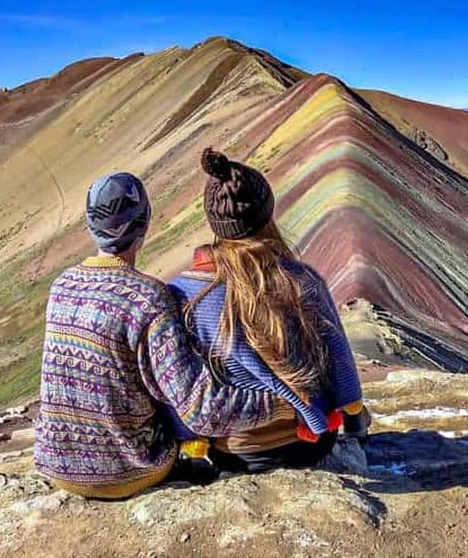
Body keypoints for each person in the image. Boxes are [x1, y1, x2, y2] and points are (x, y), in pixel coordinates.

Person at [34, 172, 279, 499]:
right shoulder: (149, 298)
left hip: (56, 466)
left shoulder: (62, 285)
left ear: (91, 225)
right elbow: (199, 408)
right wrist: (278, 404)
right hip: (129, 472)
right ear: (145, 223)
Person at [168, 149, 368, 473]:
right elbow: (339, 358)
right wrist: (356, 423)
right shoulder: (301, 279)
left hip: (231, 452)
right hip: (308, 444)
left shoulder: (183, 293)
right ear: (267, 213)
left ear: (213, 221)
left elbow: (179, 379)